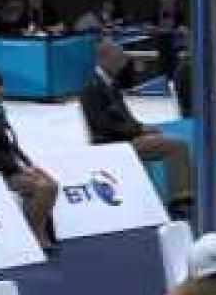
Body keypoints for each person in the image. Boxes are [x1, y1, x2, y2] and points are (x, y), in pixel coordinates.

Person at [81, 41, 193, 220]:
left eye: (122, 58)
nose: (122, 63)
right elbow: (102, 126)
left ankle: (175, 196)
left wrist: (142, 127)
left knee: (164, 139)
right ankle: (180, 199)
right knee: (177, 146)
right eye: (118, 59)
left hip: (125, 138)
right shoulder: (91, 88)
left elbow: (125, 117)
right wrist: (138, 130)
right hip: (112, 143)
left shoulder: (110, 83)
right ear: (103, 59)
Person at [0, 69, 60, 251]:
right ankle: (35, 236)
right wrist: (19, 168)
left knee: (51, 184)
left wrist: (28, 164)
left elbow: (11, 145)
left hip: (11, 168)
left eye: (1, 86)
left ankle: (35, 233)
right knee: (42, 187)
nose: (2, 90)